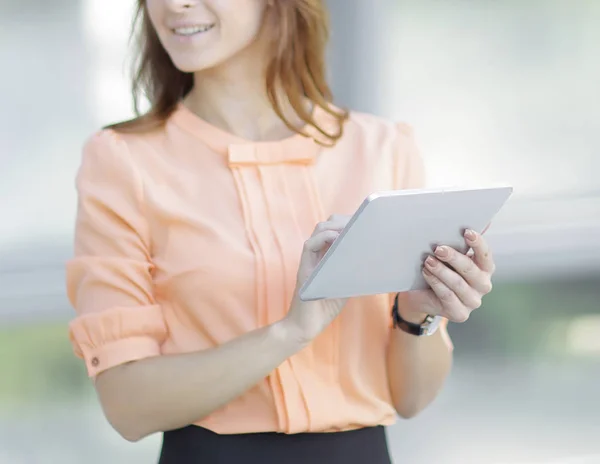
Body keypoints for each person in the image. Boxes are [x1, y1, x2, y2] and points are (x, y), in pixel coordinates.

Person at [66, 1, 497, 463]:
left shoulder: (383, 149)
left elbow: (410, 399)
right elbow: (127, 406)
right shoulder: (123, 161)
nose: (174, 4)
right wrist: (290, 331)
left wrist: (419, 316)